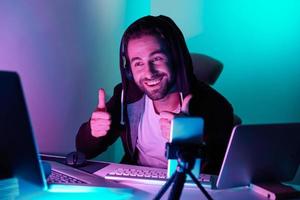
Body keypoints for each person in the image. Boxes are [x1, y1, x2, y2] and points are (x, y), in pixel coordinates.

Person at [76, 15, 234, 175]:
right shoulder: (126, 95)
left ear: (175, 58)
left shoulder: (216, 106)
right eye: (138, 63)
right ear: (129, 71)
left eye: (157, 59)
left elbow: (219, 174)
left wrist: (189, 138)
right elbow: (83, 150)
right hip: (135, 185)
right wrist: (93, 132)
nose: (149, 73)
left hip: (183, 189)